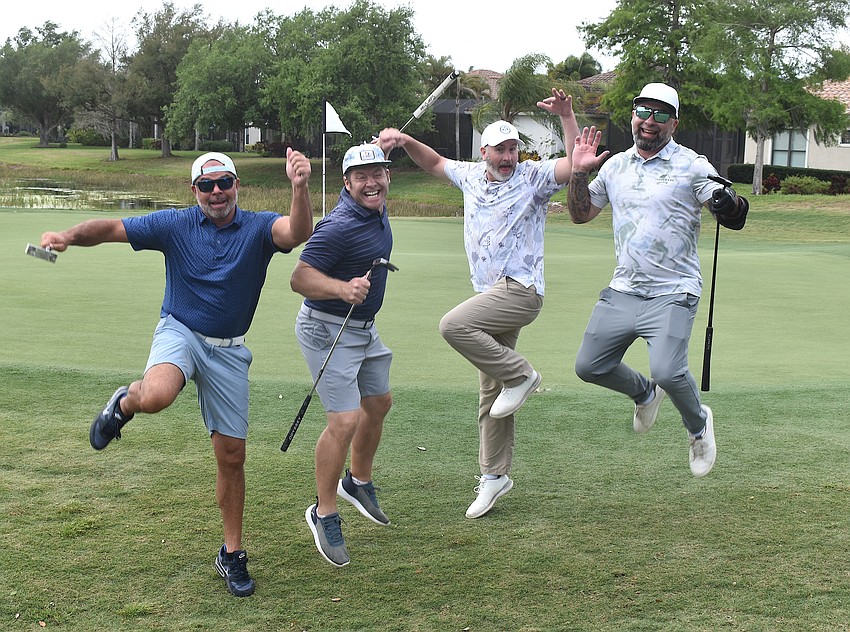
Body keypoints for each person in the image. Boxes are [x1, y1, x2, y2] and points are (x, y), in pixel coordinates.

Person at [39, 149, 314, 597]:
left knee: (232, 456)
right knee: (157, 395)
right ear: (194, 191)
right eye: (206, 186)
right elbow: (111, 228)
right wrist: (67, 235)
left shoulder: (259, 227)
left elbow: (296, 231)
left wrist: (299, 188)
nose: (216, 192)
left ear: (236, 185)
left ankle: (231, 554)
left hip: (228, 352)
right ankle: (125, 401)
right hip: (181, 330)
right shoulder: (176, 224)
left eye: (224, 183)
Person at [377, 89, 580, 519]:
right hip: (489, 293)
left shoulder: (533, 178)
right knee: (491, 390)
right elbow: (433, 162)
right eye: (501, 149)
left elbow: (573, 165)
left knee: (453, 326)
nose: (508, 156)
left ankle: (524, 375)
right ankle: (494, 477)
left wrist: (566, 117)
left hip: (521, 290)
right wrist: (402, 140)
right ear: (484, 151)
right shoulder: (470, 175)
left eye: (514, 149)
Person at [567, 82, 749, 477]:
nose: (651, 121)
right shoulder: (614, 166)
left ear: (674, 123)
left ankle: (699, 426)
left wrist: (728, 203)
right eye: (644, 111)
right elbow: (581, 214)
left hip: (674, 291)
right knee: (589, 366)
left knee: (668, 369)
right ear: (633, 115)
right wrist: (579, 173)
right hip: (624, 289)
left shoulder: (692, 164)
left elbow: (732, 210)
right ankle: (644, 393)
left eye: (661, 114)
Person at [291, 144, 395, 567]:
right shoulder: (338, 226)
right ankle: (324, 511)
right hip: (326, 328)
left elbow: (377, 156)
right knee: (344, 419)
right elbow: (299, 277)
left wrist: (387, 143)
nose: (371, 182)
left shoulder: (375, 207)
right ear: (346, 183)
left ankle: (358, 481)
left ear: (389, 177)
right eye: (361, 176)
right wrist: (342, 288)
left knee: (378, 402)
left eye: (378, 173)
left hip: (364, 330)